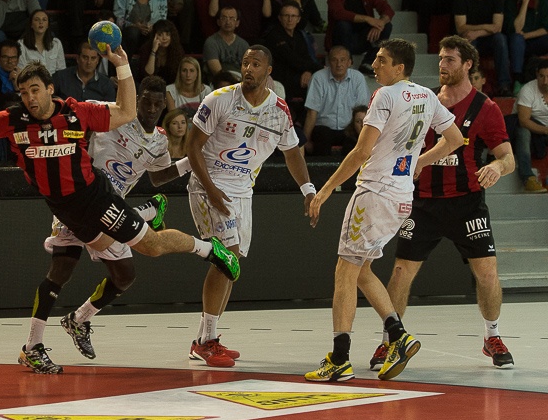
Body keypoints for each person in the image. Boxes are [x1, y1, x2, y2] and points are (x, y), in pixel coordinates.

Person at [0, 53, 241, 374]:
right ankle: (33, 347)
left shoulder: (75, 112)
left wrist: (122, 64)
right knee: (62, 269)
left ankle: (206, 249)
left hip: (98, 201)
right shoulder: (12, 119)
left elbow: (126, 110)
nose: (29, 98)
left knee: (143, 255)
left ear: (49, 89)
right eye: (23, 92)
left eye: (35, 90)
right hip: (66, 210)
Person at [305, 39, 463, 383]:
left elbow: (362, 151)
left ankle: (339, 359)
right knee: (361, 271)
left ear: (400, 68)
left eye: (381, 60)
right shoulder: (426, 96)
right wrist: (419, 162)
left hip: (374, 193)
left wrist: (327, 189)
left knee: (344, 273)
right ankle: (398, 335)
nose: (375, 66)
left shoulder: (385, 96)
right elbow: (455, 140)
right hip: (402, 198)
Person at [380, 35, 515, 372]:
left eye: (450, 60)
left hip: (467, 203)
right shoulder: (424, 101)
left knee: (487, 272)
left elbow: (508, 157)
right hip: (423, 203)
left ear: (468, 64)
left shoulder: (486, 108)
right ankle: (390, 342)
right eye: (440, 59)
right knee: (400, 272)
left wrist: (496, 168)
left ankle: (492, 336)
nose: (442, 65)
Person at [185, 46, 314, 367]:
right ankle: (208, 340)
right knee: (225, 258)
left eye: (256, 64)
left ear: (268, 70)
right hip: (208, 186)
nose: (248, 69)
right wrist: (212, 190)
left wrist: (309, 190)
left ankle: (203, 340)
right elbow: (191, 146)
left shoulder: (279, 110)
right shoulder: (219, 99)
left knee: (233, 262)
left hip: (243, 191)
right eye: (245, 63)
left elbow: (293, 152)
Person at [37, 77, 179, 364]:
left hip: (110, 210)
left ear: (164, 105)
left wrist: (193, 162)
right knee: (62, 268)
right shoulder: (111, 113)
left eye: (157, 104)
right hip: (80, 197)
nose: (151, 109)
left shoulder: (161, 140)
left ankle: (78, 319)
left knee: (125, 275)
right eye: (146, 102)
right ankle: (33, 344)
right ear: (136, 100)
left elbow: (159, 176)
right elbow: (76, 116)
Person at [327, 0, 394, 75]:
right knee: (343, 25)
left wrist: (379, 24)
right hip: (341, 39)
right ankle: (348, 62)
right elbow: (337, 12)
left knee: (387, 26)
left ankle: (368, 62)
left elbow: (387, 9)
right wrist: (368, 19)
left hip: (365, 38)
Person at [453, 0, 510, 97]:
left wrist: (477, 32)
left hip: (488, 39)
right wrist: (486, 27)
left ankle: (504, 85)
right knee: (467, 41)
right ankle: (467, 85)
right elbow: (460, 28)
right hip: (470, 39)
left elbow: (498, 27)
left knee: (500, 39)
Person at [303, 46, 370, 156]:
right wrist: (306, 141)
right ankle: (323, 173)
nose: (339, 64)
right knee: (322, 137)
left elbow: (362, 111)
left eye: (343, 60)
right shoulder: (318, 78)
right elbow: (311, 113)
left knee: (353, 143)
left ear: (349, 62)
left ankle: (349, 174)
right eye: (334, 60)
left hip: (349, 128)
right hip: (323, 128)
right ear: (329, 62)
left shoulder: (358, 78)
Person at [263, 2, 322, 107]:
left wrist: (308, 71)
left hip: (298, 74)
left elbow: (306, 57)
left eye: (293, 16)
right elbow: (292, 59)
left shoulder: (299, 35)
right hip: (280, 76)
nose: (290, 19)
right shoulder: (274, 35)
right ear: (280, 18)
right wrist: (319, 67)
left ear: (298, 19)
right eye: (286, 16)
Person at [505, 0, 548, 84]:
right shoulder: (510, 1)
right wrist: (525, 2)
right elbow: (517, 29)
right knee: (517, 38)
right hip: (517, 43)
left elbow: (546, 28)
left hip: (537, 40)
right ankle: (517, 80)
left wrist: (527, 35)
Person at [513, 61, 548, 192]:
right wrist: (545, 130)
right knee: (523, 131)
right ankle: (528, 178)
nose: (545, 81)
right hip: (527, 132)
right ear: (536, 75)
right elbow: (524, 121)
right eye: (541, 76)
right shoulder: (527, 90)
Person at [51, 42, 117, 104]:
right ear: (78, 59)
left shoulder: (106, 84)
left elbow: (111, 112)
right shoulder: (60, 78)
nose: (89, 62)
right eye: (85, 57)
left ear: (97, 60)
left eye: (93, 58)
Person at [203, 6, 249, 81]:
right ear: (218, 22)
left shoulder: (243, 44)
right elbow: (217, 72)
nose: (228, 22)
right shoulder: (211, 42)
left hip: (241, 81)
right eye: (224, 18)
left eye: (232, 18)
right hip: (219, 83)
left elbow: (248, 69)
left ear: (237, 23)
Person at [138, 20, 185, 85]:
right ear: (154, 36)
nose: (164, 38)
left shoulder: (177, 50)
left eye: (167, 34)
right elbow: (148, 74)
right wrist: (153, 51)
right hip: (150, 86)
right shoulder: (146, 49)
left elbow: (178, 76)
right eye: (160, 35)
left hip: (171, 87)